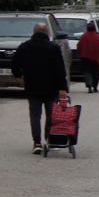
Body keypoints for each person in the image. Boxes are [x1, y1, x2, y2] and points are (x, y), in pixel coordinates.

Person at [10, 22, 70, 153]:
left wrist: (20, 75)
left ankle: (37, 143)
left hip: (32, 87)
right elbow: (60, 70)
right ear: (48, 33)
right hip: (51, 88)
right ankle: (49, 140)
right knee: (51, 115)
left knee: (35, 115)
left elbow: (14, 65)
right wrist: (63, 89)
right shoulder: (53, 48)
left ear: (34, 32)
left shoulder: (24, 47)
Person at [76, 20, 99, 93]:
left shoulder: (84, 36)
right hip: (96, 58)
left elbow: (79, 46)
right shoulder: (98, 36)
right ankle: (95, 87)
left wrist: (81, 54)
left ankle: (89, 86)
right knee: (96, 73)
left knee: (87, 72)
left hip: (86, 58)